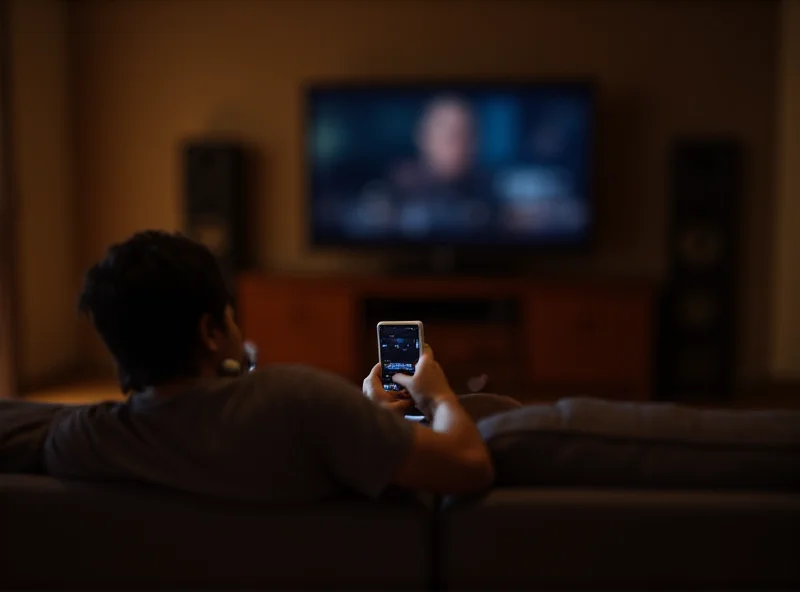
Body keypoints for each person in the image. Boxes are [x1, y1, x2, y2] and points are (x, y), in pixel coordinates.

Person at [43, 230, 493, 502]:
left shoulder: (78, 441)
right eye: (230, 311)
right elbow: (470, 466)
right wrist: (436, 395)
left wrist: (369, 416)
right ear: (210, 332)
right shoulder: (305, 404)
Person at [355, 95, 496, 236]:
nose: (458, 143)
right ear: (422, 136)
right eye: (448, 133)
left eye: (467, 133)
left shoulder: (492, 193)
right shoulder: (394, 187)